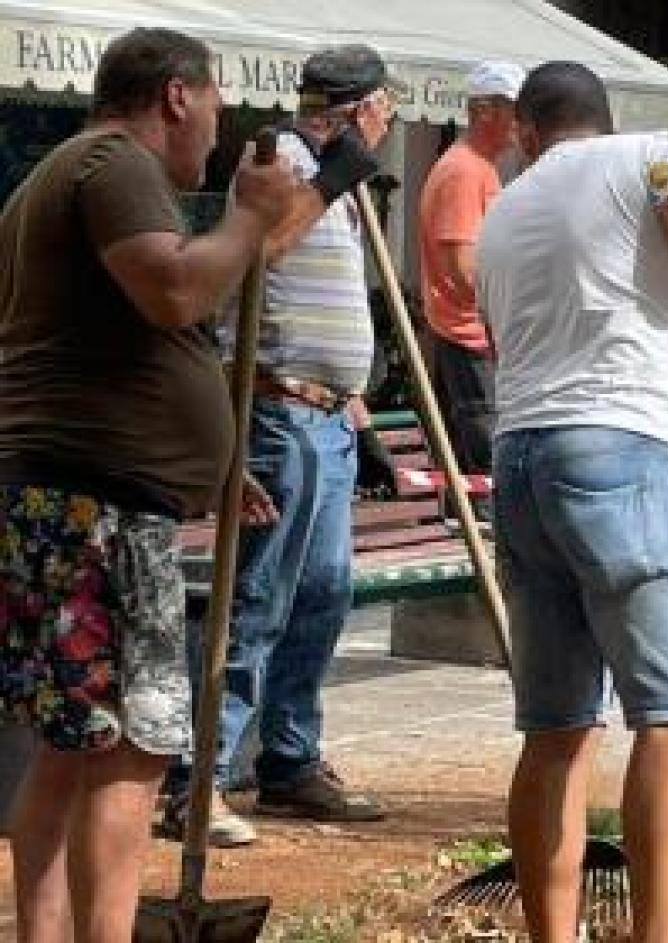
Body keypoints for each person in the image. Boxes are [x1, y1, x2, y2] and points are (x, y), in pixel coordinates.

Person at [476, 62, 668, 942]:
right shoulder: (652, 156)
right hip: (626, 448)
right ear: (603, 120)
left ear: (529, 132)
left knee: (555, 731)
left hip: (524, 463)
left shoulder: (503, 210)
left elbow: (506, 339)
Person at [0, 27, 294, 940]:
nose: (216, 126)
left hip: (70, 497)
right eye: (213, 103)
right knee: (130, 750)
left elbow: (139, 340)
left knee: (66, 746)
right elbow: (176, 291)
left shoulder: (65, 174)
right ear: (176, 95)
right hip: (97, 511)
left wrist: (213, 457)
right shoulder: (113, 164)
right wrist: (246, 214)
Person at [163, 43, 401, 847]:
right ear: (362, 108)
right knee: (257, 597)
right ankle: (195, 779)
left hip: (329, 418)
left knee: (323, 593)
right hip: (277, 413)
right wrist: (335, 173)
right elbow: (255, 252)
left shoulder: (345, 182)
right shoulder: (280, 160)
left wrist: (359, 411)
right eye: (385, 107)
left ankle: (291, 760)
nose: (392, 121)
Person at [418, 60, 524, 491]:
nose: (522, 123)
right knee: (487, 467)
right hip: (470, 338)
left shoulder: (477, 168)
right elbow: (461, 269)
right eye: (515, 110)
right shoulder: (465, 170)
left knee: (486, 461)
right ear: (484, 111)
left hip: (475, 337)